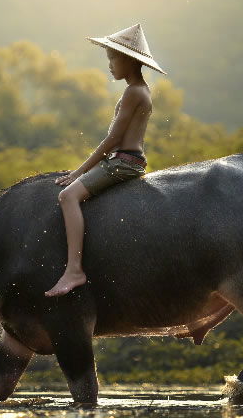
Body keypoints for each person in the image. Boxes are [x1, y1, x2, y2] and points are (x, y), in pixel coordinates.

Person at [45, 23, 167, 297]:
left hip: (123, 162)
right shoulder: (140, 89)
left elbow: (113, 139)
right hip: (126, 159)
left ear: (129, 60)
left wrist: (78, 172)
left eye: (113, 58)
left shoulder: (133, 92)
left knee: (68, 196)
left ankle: (74, 270)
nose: (109, 65)